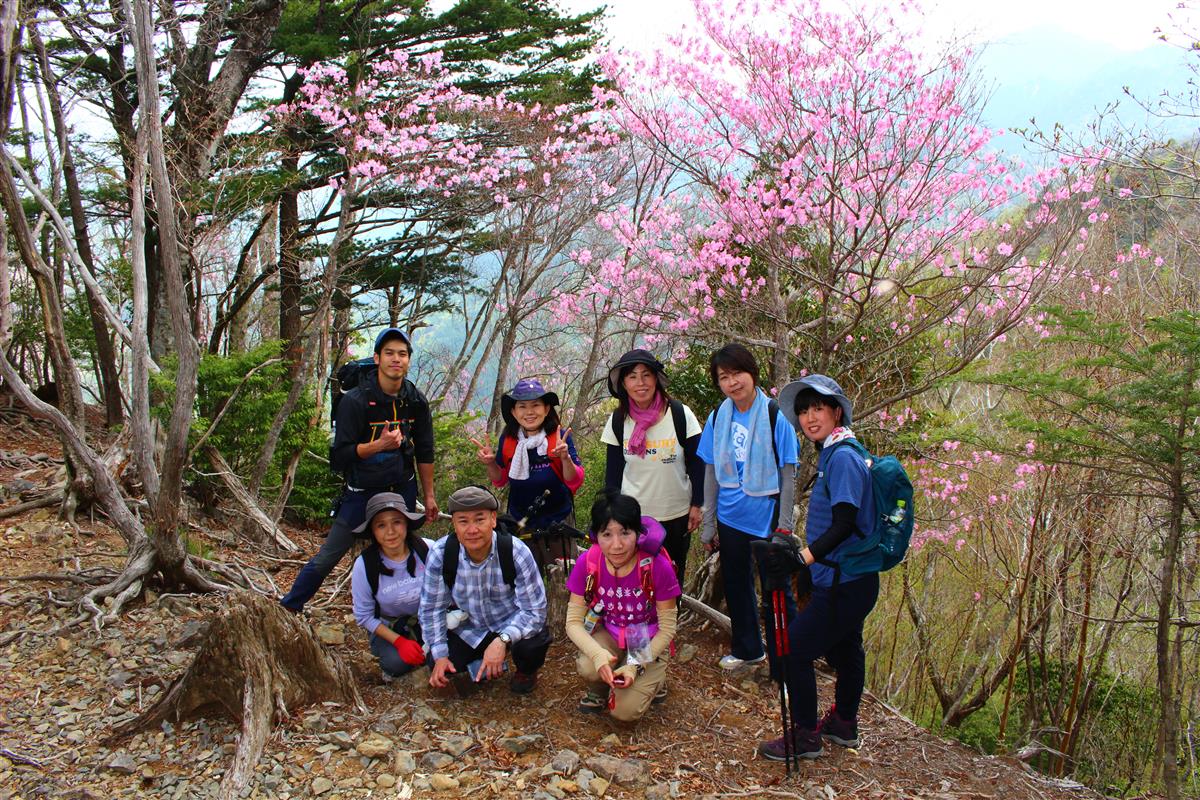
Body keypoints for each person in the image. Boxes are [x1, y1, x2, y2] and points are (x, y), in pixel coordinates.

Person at [757, 375, 879, 761]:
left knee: (793, 649)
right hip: (851, 579)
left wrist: (802, 559)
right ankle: (843, 724)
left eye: (818, 408)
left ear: (836, 411)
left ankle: (806, 736)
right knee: (847, 650)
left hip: (844, 583)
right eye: (804, 410)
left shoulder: (842, 457)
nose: (810, 417)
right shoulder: (836, 451)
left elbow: (845, 522)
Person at [281, 328, 438, 612]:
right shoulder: (356, 401)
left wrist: (429, 496)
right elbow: (339, 457)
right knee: (330, 555)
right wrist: (378, 446)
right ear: (377, 358)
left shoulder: (414, 400)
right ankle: (288, 608)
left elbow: (425, 449)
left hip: (400, 489)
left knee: (409, 550)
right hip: (362, 492)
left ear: (408, 361)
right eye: (389, 353)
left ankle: (417, 610)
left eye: (402, 354)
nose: (396, 359)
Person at [697, 343, 799, 670]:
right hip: (730, 517)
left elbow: (788, 473)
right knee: (738, 587)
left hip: (765, 519)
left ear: (752, 373)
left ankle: (788, 663)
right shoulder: (718, 416)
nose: (732, 382)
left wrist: (784, 526)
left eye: (737, 373)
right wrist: (709, 522)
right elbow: (711, 471)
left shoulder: (774, 416)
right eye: (724, 377)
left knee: (777, 594)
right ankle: (748, 649)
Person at [419, 486, 552, 695]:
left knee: (533, 645)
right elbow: (431, 608)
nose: (472, 530)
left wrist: (503, 640)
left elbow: (535, 611)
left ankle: (525, 671)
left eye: (479, 520)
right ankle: (482, 661)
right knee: (444, 666)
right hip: (471, 626)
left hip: (510, 622)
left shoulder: (515, 551)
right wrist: (440, 654)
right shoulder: (442, 552)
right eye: (463, 521)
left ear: (493, 520)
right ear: (454, 523)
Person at [564, 491, 680, 722]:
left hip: (647, 637)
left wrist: (635, 665)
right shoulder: (589, 562)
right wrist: (597, 655)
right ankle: (600, 688)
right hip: (610, 629)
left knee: (624, 712)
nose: (616, 545)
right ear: (596, 536)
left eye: (625, 533)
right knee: (588, 665)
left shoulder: (656, 566)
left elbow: (667, 628)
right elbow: (573, 623)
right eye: (606, 534)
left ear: (638, 533)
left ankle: (653, 677)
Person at [602, 349, 704, 584]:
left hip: (676, 515)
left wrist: (698, 505)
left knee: (671, 579)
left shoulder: (679, 414)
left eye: (646, 375)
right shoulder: (618, 421)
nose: (640, 383)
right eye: (632, 377)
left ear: (656, 379)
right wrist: (612, 516)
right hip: (634, 519)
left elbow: (698, 465)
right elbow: (613, 476)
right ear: (623, 384)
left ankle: (669, 622)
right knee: (636, 581)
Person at [472, 378, 583, 568]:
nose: (529, 412)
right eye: (522, 406)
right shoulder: (509, 441)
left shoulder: (558, 437)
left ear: (547, 409)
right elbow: (500, 480)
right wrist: (491, 463)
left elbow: (574, 480)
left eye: (536, 405)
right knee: (523, 574)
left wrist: (565, 457)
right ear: (513, 412)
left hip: (559, 520)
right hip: (521, 520)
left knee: (563, 577)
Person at [349, 493, 431, 682]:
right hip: (391, 628)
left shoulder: (426, 550)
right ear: (373, 531)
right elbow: (364, 616)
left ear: (406, 523)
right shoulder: (365, 565)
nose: (391, 531)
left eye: (397, 522)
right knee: (396, 663)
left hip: (429, 621)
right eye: (381, 525)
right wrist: (400, 642)